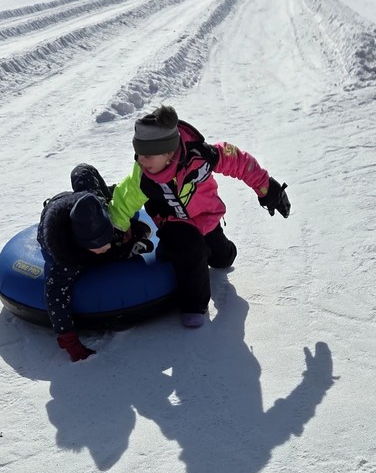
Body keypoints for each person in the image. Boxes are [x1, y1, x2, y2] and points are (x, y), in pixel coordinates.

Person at [108, 105, 290, 329]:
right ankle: (194, 305)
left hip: (206, 216)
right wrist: (116, 229)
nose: (140, 160)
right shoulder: (143, 177)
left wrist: (267, 188)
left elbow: (238, 161)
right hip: (173, 221)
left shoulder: (201, 155)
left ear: (168, 153)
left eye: (146, 155)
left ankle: (210, 251)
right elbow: (125, 198)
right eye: (137, 154)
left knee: (222, 259)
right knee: (192, 250)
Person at [38, 164, 152, 361]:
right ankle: (125, 250)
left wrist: (113, 210)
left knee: (114, 229)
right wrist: (69, 340)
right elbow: (55, 293)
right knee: (104, 257)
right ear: (85, 246)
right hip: (54, 215)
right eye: (101, 244)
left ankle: (124, 237)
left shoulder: (97, 204)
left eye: (108, 240)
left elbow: (82, 170)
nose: (107, 245)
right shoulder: (67, 258)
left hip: (82, 203)